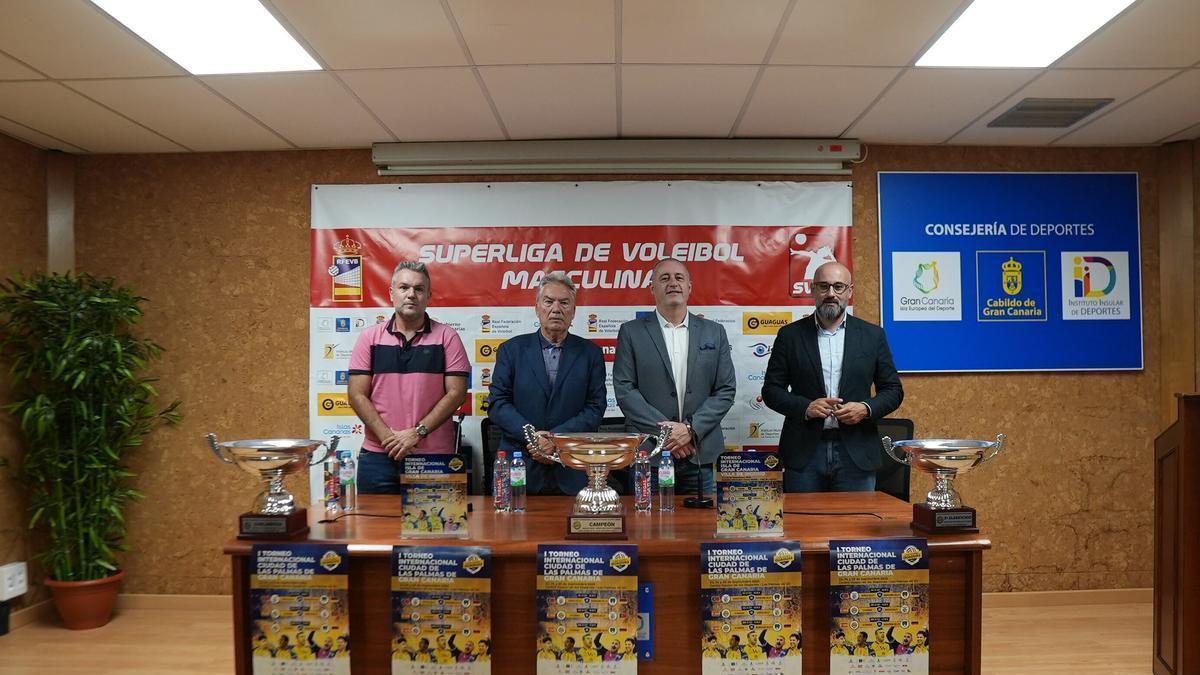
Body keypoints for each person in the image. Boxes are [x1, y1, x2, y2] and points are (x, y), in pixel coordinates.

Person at [762, 262, 903, 492]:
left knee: (856, 526)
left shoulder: (872, 335)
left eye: (838, 287)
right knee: (804, 526)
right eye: (824, 286)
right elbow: (771, 390)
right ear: (812, 289)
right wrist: (805, 407)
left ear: (850, 291)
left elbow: (893, 390)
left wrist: (865, 408)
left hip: (857, 453)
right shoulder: (790, 336)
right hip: (804, 453)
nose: (831, 294)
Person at [613, 258, 736, 495]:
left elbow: (725, 390)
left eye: (679, 278)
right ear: (652, 288)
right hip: (650, 454)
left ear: (689, 286)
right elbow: (625, 390)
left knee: (701, 529)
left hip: (699, 452)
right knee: (647, 528)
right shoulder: (631, 332)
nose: (673, 283)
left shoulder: (714, 332)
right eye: (664, 278)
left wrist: (690, 430)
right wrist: (668, 435)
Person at [348, 261, 470, 494]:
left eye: (419, 289)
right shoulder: (369, 338)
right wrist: (389, 439)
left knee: (436, 529)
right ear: (391, 293)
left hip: (434, 458)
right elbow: (356, 394)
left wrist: (417, 433)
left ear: (429, 295)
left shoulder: (447, 337)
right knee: (373, 530)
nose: (411, 294)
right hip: (378, 458)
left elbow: (457, 393)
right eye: (404, 288)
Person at [487, 272, 606, 495]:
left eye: (564, 302)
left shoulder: (591, 354)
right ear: (537, 308)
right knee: (508, 530)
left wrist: (555, 439)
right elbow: (498, 404)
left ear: (573, 311)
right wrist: (534, 437)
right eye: (549, 301)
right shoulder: (511, 350)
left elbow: (595, 409)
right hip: (520, 465)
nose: (556, 309)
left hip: (572, 469)